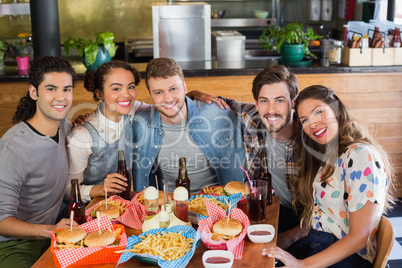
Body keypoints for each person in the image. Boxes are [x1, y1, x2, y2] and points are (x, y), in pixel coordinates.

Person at [262, 85, 394, 267]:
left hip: (348, 258)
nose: (312, 124)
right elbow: (327, 217)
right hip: (318, 243)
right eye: (304, 120)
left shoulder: (361, 155)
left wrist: (303, 264)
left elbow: (359, 237)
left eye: (318, 112)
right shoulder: (330, 155)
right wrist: (289, 237)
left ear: (336, 109)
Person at [198, 65, 307, 249]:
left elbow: (325, 213)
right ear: (256, 104)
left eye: (279, 101)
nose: (271, 110)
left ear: (293, 103)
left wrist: (287, 238)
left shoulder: (309, 140)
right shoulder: (252, 116)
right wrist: (195, 94)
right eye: (264, 101)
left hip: (302, 224)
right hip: (266, 211)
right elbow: (221, 102)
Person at [0, 56, 79, 267]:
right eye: (51, 89)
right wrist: (50, 230)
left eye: (67, 89)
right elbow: (1, 221)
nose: (61, 97)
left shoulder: (65, 127)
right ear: (34, 92)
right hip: (13, 244)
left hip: (53, 233)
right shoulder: (13, 146)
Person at [131, 57, 245, 192]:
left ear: (184, 87)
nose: (168, 98)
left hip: (216, 205)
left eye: (173, 89)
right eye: (159, 92)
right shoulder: (140, 123)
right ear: (151, 94)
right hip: (167, 207)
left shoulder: (217, 114)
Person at [65, 61, 148, 203]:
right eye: (116, 89)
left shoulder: (130, 111)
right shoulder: (82, 136)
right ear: (99, 93)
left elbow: (166, 106)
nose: (126, 95)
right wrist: (100, 189)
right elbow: (67, 191)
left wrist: (191, 95)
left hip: (120, 208)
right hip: (88, 214)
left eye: (131, 87)